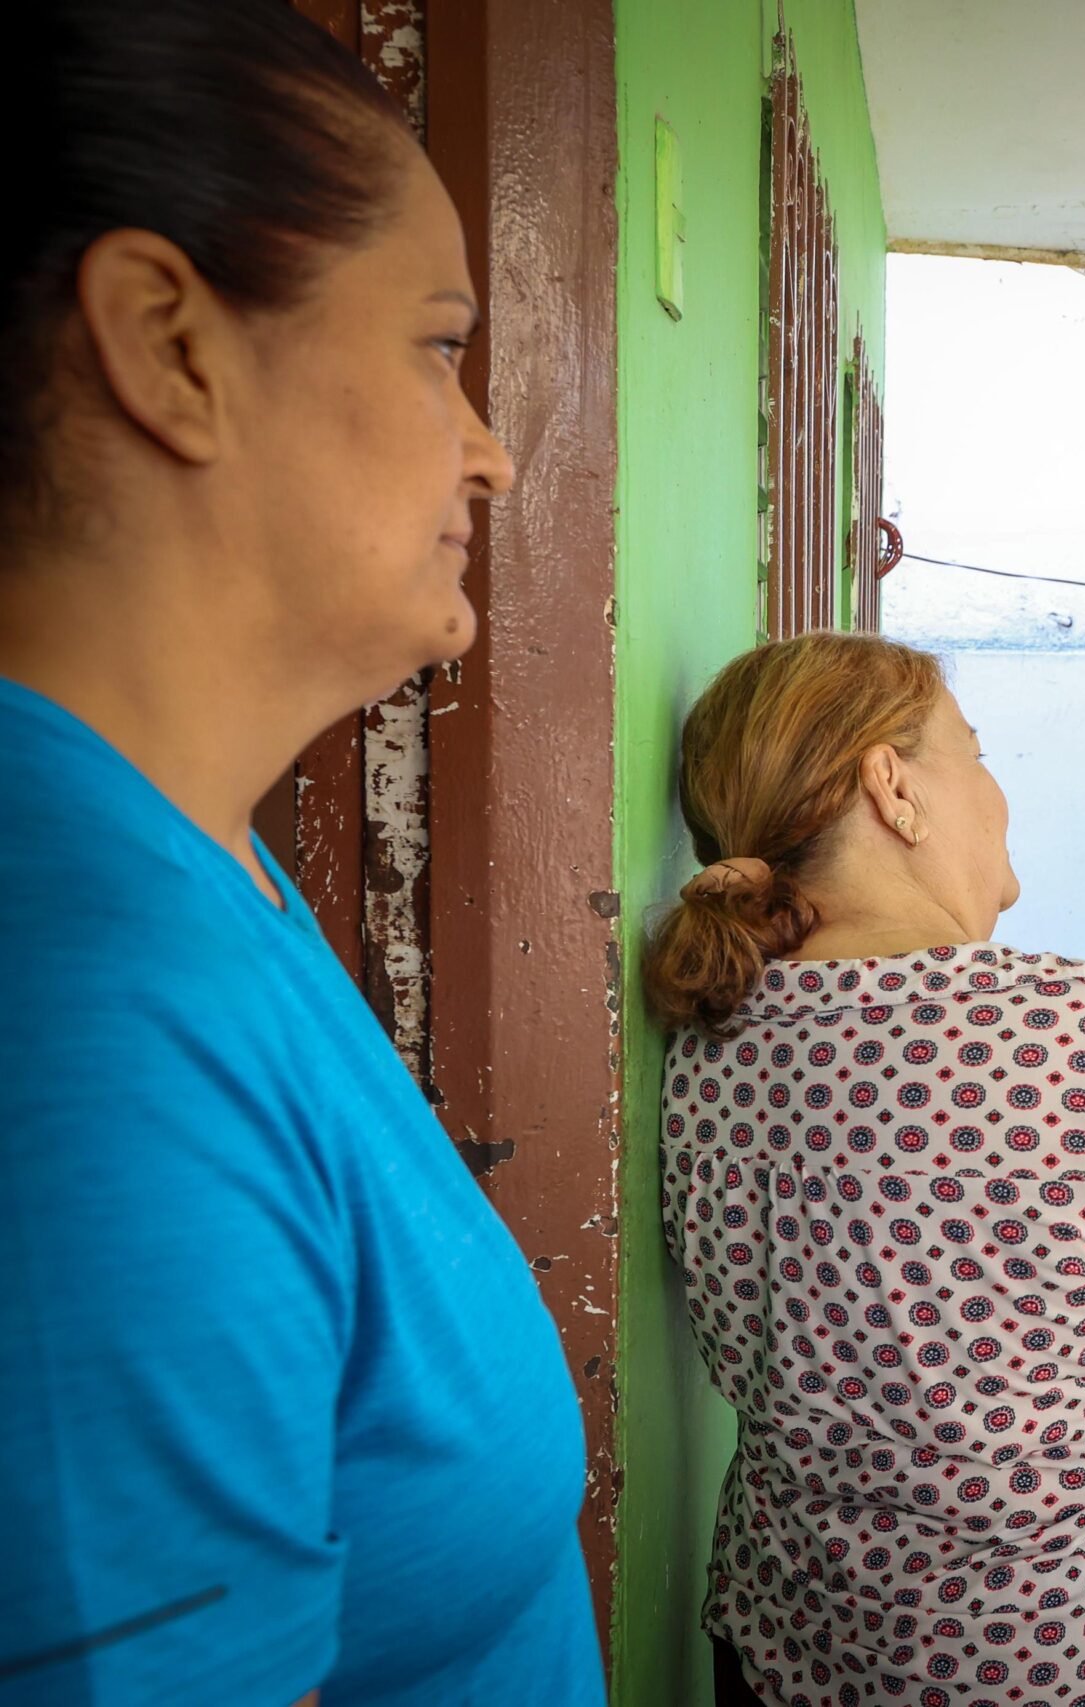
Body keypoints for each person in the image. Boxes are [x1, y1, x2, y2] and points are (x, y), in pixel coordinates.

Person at [0, 5, 602, 1705]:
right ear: (168, 345)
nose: (486, 445)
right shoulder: (88, 1016)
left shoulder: (205, 866)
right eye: (434, 346)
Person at [643, 632, 1085, 1707]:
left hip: (799, 1655)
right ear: (892, 788)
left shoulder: (710, 1042)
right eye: (974, 751)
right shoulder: (1068, 1033)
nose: (995, 789)